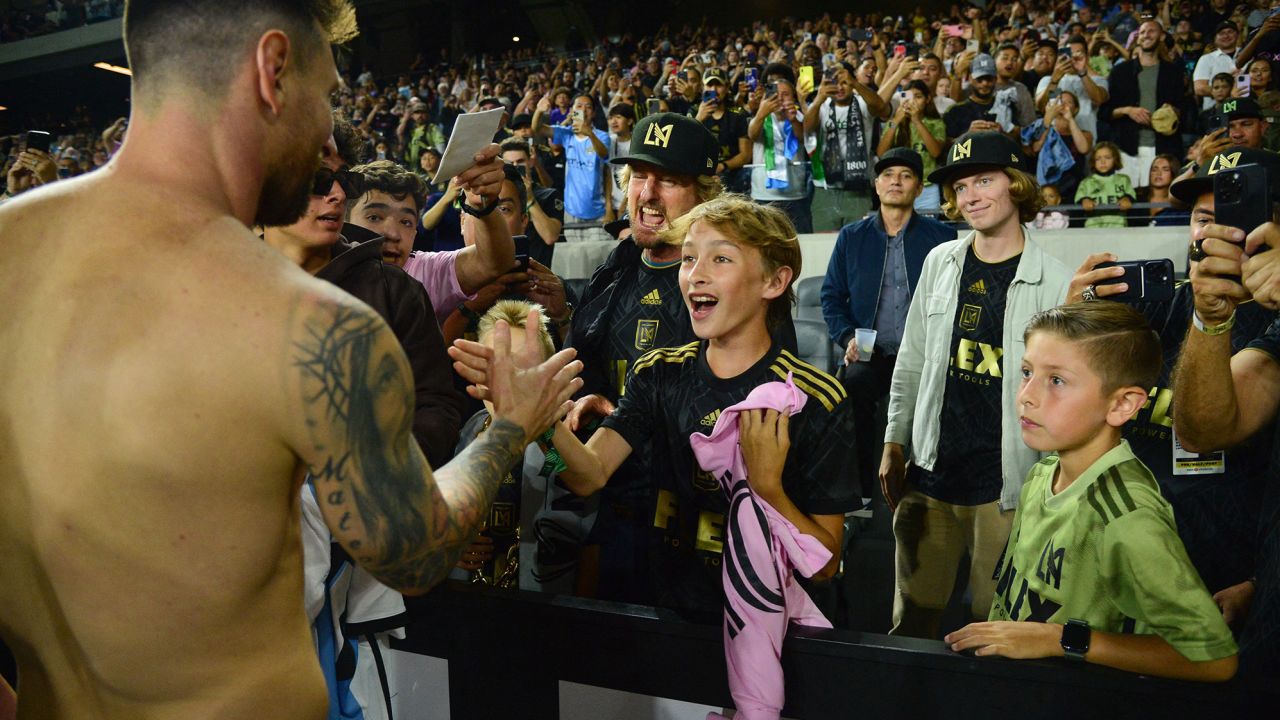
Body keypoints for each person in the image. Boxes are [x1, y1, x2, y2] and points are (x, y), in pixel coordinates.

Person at [0, 1, 584, 716]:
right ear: (273, 70)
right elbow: (413, 548)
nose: (324, 133)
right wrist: (509, 426)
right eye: (329, 95)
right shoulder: (311, 325)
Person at [519, 196, 857, 617]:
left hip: (769, 636)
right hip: (667, 618)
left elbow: (824, 568)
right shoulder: (658, 373)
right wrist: (539, 426)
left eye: (720, 259)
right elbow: (585, 476)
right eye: (689, 258)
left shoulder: (815, 400)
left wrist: (768, 489)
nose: (695, 275)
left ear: (775, 281)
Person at [944, 302, 1239, 682]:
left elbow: (1213, 660)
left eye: (1057, 381)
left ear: (1121, 404)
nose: (1026, 396)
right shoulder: (1042, 473)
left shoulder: (1126, 519)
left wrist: (1062, 639)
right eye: (1026, 372)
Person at [880, 131, 1073, 639]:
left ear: (1015, 186)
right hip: (930, 476)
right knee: (912, 623)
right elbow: (912, 361)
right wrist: (893, 440)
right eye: (961, 187)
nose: (971, 196)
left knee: (995, 629)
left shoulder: (1056, 280)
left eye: (984, 180)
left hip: (1005, 484)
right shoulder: (939, 262)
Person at [562, 112, 724, 604]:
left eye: (670, 180)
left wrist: (631, 416)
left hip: (696, 529)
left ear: (705, 194)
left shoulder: (729, 285)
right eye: (639, 177)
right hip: (606, 510)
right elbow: (557, 455)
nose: (648, 193)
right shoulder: (612, 273)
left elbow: (754, 411)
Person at [263, 152, 465, 468]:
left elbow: (435, 408)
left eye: (346, 181)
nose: (339, 194)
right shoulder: (216, 285)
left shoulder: (395, 290)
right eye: (319, 182)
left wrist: (376, 470)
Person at [1166, 150, 1280, 677]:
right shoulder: (1170, 303)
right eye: (1202, 220)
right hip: (1170, 562)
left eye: (1230, 217)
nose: (1212, 234)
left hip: (1240, 560)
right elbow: (1199, 431)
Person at [820, 147, 957, 501]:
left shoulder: (941, 238)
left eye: (906, 175)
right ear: (876, 186)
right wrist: (847, 336)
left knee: (947, 397)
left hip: (925, 352)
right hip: (871, 351)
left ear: (918, 188)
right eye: (888, 175)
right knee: (853, 388)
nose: (896, 181)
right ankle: (862, 492)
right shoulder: (852, 237)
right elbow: (831, 297)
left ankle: (933, 487)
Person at [450, 300, 597, 593]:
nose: (508, 379)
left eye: (521, 366)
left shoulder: (558, 437)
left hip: (544, 611)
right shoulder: (469, 431)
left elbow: (588, 531)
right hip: (469, 608)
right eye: (495, 362)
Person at [804, 61, 890, 231]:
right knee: (823, 246)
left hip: (857, 188)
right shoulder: (821, 106)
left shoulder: (863, 103)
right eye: (834, 82)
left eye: (844, 82)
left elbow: (881, 108)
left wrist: (856, 84)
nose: (840, 87)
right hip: (825, 189)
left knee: (858, 246)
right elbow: (807, 129)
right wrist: (819, 98)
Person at [1103, 19, 1187, 189]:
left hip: (1163, 149)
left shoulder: (1174, 72)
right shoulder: (1120, 71)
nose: (1146, 35)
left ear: (1162, 36)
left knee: (1160, 201)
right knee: (1129, 202)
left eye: (1151, 31)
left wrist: (1172, 112)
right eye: (1142, 32)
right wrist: (1128, 110)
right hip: (1127, 149)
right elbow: (1105, 111)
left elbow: (1184, 109)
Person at [535, 93, 610, 226]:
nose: (583, 110)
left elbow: (603, 154)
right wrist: (539, 111)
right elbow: (538, 129)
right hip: (571, 211)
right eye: (579, 106)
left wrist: (590, 134)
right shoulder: (566, 134)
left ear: (593, 113)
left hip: (598, 211)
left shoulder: (602, 136)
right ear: (572, 111)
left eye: (588, 107)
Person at [749, 78, 812, 232]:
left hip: (795, 195)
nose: (780, 98)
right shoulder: (761, 117)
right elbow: (752, 134)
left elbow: (804, 140)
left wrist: (794, 121)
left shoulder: (799, 116)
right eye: (775, 94)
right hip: (763, 195)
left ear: (794, 98)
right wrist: (761, 113)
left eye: (785, 94)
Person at [876, 79, 946, 212]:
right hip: (898, 186)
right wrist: (896, 120)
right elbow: (881, 153)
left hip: (927, 188)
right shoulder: (893, 123)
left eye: (918, 97)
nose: (912, 101)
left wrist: (916, 121)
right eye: (907, 97)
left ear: (928, 99)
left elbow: (936, 152)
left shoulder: (936, 123)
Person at [499, 137, 564, 269]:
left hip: (537, 273)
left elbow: (550, 237)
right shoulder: (495, 197)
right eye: (510, 163)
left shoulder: (549, 195)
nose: (516, 167)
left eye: (520, 162)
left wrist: (529, 198)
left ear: (531, 162)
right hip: (502, 269)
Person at [1035, 35, 1110, 139]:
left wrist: (1082, 72)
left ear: (1087, 56)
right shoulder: (1048, 80)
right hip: (1053, 143)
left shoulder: (1098, 80)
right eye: (1069, 53)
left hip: (1085, 141)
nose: (1073, 57)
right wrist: (1055, 80)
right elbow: (1042, 106)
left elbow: (1099, 99)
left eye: (1078, 53)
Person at [696, 68, 752, 194]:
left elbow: (746, 155)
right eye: (710, 85)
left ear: (727, 88)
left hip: (734, 178)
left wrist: (722, 166)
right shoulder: (694, 111)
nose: (714, 90)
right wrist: (698, 119)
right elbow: (685, 146)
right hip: (701, 177)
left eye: (718, 85)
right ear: (703, 87)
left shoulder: (738, 114)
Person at [1076, 142, 1135, 228]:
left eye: (1107, 157)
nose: (1103, 162)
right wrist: (1085, 201)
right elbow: (1079, 199)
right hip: (1093, 229)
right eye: (1098, 159)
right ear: (1093, 161)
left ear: (1115, 159)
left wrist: (1126, 199)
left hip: (1118, 227)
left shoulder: (1123, 179)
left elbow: (1130, 196)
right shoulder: (1086, 182)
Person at [1194, 21, 1241, 110]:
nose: (1226, 36)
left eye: (1230, 32)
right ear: (1215, 38)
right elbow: (1199, 88)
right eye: (1221, 33)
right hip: (1215, 112)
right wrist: (1229, 93)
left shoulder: (1248, 55)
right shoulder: (1206, 59)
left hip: (1244, 109)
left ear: (1237, 34)